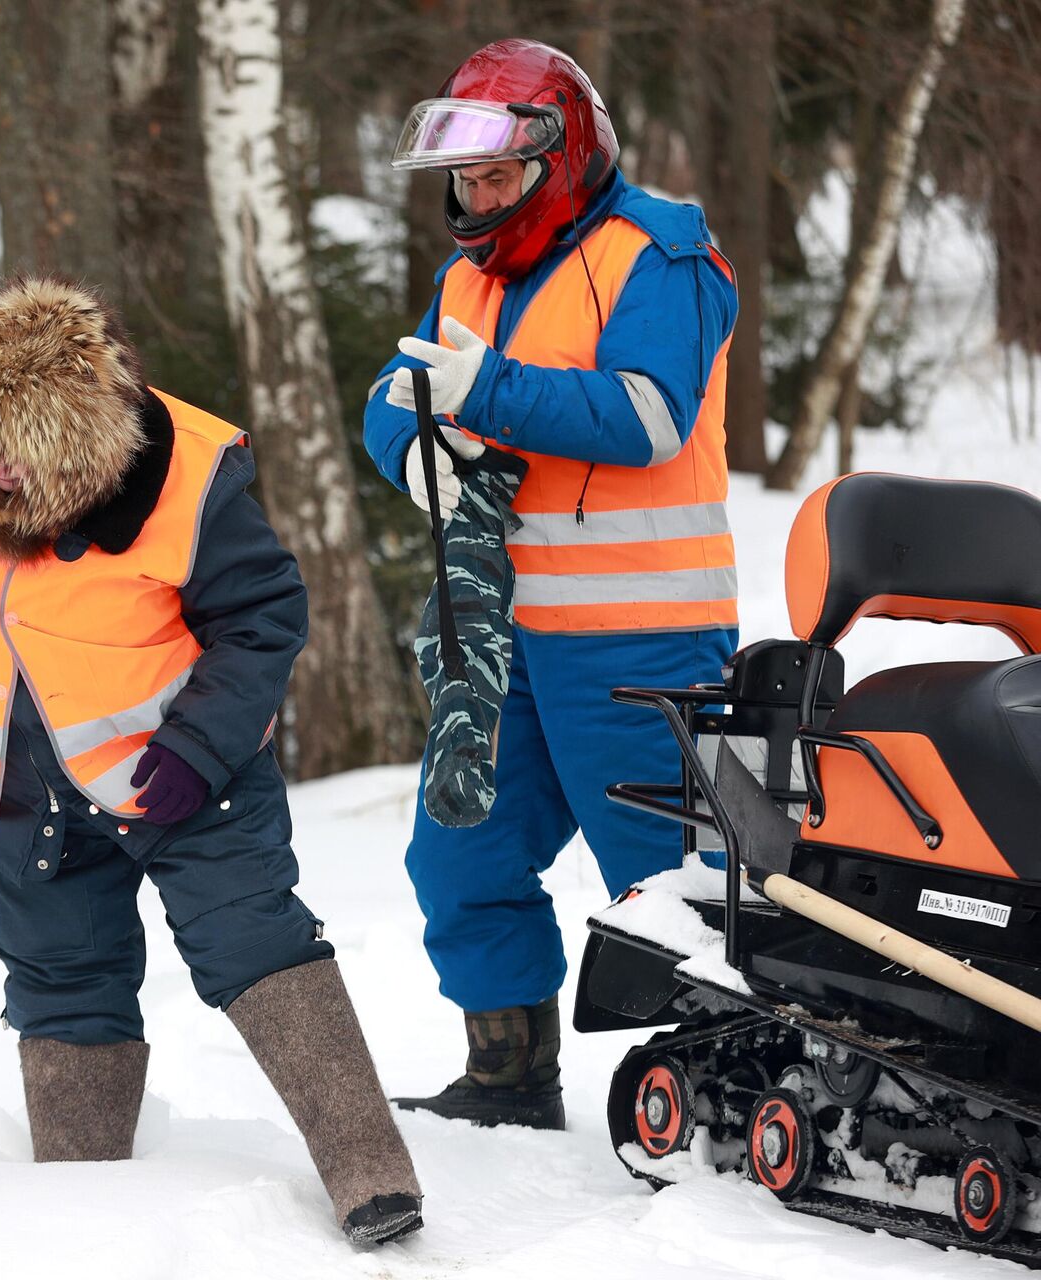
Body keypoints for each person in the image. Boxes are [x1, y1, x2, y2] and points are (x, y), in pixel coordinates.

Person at [0, 224, 423, 1244]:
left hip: (183, 774)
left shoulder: (185, 473)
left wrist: (195, 749)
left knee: (254, 940)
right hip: (16, 784)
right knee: (63, 978)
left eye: (22, 458)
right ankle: (76, 1204)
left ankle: (371, 1166)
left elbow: (263, 615)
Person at [363, 39, 740, 1130]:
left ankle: (724, 1093)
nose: (477, 200)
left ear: (561, 159)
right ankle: (507, 1076)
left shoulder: (660, 253)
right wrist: (413, 449)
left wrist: (492, 389)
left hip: (640, 636)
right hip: (503, 635)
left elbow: (649, 413)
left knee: (666, 883)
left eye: (497, 178)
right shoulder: (466, 278)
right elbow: (399, 388)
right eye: (465, 181)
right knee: (459, 846)